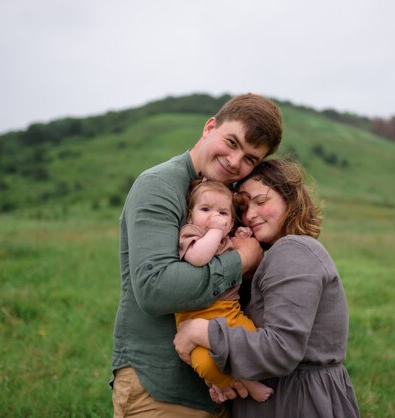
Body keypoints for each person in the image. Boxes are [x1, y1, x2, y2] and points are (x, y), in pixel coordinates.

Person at [110, 93, 283, 417]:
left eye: (249, 159)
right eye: (231, 142)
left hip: (220, 385)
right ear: (210, 127)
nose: (234, 161)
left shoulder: (231, 195)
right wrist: (240, 259)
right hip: (160, 391)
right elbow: (155, 289)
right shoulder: (159, 185)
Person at [174, 158, 361, 418]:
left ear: (290, 198)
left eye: (261, 202)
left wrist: (200, 330)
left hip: (297, 403)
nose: (250, 215)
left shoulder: (293, 249)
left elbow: (281, 348)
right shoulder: (277, 254)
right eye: (243, 206)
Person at [176, 178, 274, 403]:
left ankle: (246, 376)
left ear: (230, 222)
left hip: (229, 311)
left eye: (222, 213)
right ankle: (238, 383)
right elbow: (199, 258)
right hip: (195, 316)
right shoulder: (190, 234)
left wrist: (239, 237)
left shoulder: (226, 237)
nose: (213, 217)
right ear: (191, 216)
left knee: (250, 338)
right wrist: (215, 233)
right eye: (205, 209)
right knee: (205, 363)